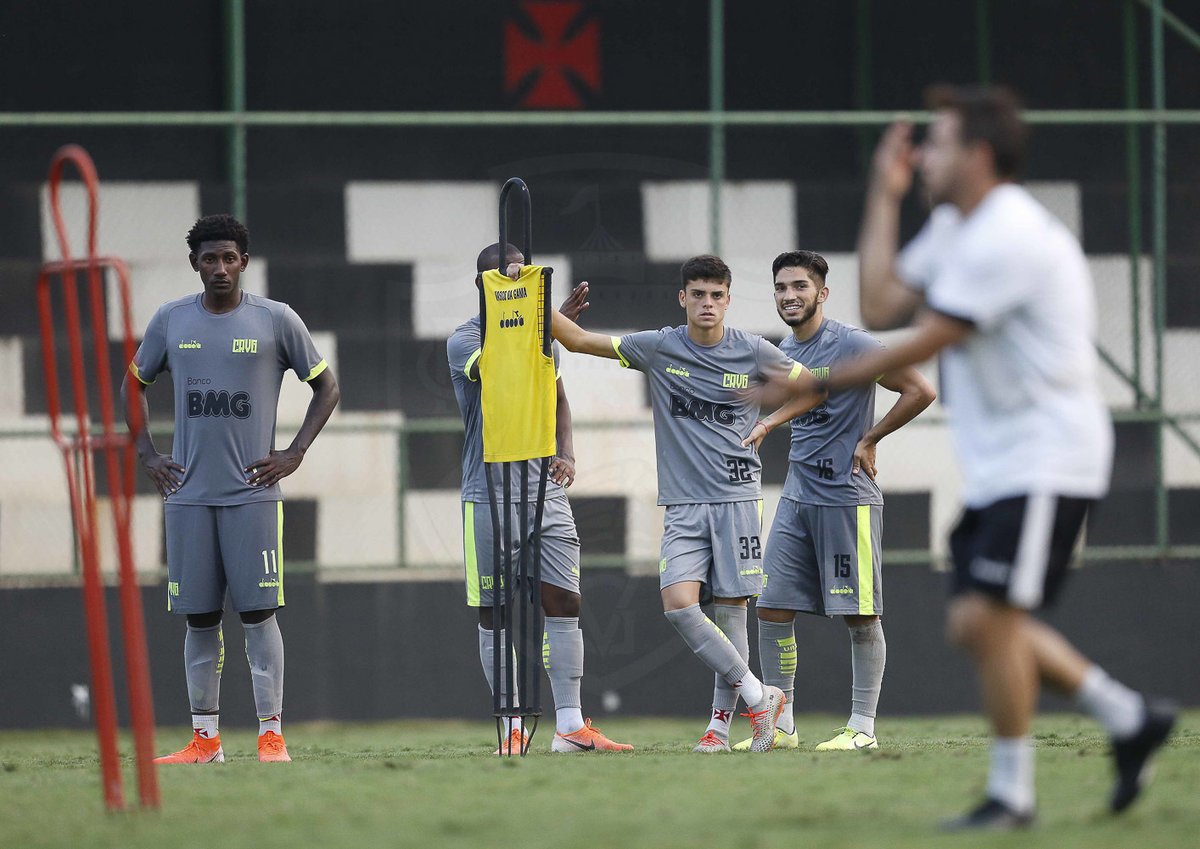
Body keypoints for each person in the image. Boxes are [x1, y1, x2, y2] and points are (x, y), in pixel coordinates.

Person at [784, 85, 1175, 828]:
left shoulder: (1006, 233)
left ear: (980, 155)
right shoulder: (957, 228)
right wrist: (883, 192)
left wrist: (817, 380)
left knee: (989, 616)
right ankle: (1128, 716)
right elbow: (879, 301)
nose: (923, 152)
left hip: (1049, 454)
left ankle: (1012, 794)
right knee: (975, 621)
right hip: (1005, 460)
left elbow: (929, 339)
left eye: (938, 140)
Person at [551, 254, 817, 753]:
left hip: (737, 499)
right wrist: (530, 303)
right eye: (699, 295)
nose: (708, 304)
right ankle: (762, 697)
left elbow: (814, 389)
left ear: (729, 300)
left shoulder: (755, 351)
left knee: (732, 617)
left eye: (717, 296)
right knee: (679, 605)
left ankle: (718, 729)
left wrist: (767, 423)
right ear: (683, 299)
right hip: (682, 505)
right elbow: (579, 340)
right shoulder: (659, 346)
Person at [122, 214, 340, 764]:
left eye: (228, 258)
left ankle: (271, 735)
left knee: (258, 614)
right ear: (194, 264)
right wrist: (147, 454)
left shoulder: (275, 320)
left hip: (252, 495)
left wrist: (294, 453)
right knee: (199, 617)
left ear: (244, 261)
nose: (219, 267)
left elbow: (327, 386)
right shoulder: (170, 321)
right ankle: (205, 740)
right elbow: (131, 386)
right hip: (189, 495)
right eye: (208, 258)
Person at [729, 250, 934, 753]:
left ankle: (862, 727)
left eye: (799, 286)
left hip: (847, 496)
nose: (789, 296)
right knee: (772, 607)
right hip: (798, 494)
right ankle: (783, 724)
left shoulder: (853, 343)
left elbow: (919, 389)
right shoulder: (782, 349)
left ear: (822, 293)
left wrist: (871, 438)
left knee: (861, 615)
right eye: (781, 288)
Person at [447, 242, 632, 754]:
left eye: (519, 276)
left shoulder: (539, 337)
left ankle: (570, 726)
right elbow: (497, 372)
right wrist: (541, 324)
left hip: (543, 490)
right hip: (487, 491)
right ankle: (509, 724)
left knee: (564, 601)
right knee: (494, 610)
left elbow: (559, 399)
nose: (511, 285)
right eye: (501, 278)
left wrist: (566, 453)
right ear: (482, 285)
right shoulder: (464, 339)